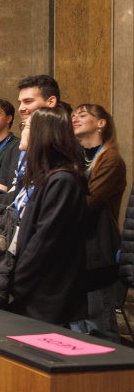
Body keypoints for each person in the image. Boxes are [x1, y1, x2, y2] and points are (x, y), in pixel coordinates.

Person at [8, 106, 88, 325]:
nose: (22, 128)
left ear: (43, 133)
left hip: (44, 294)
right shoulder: (40, 177)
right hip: (28, 288)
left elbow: (45, 241)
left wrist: (15, 282)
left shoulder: (62, 181)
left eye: (28, 126)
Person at [69, 104, 126, 343]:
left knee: (98, 327)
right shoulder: (76, 158)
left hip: (98, 251)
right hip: (75, 248)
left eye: (82, 115)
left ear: (101, 123)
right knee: (76, 325)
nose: (75, 119)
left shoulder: (111, 160)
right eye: (73, 116)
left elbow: (86, 202)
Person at [0, 75, 60, 192]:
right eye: (20, 102)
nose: (20, 108)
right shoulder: (16, 147)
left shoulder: (64, 147)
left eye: (28, 101)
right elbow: (1, 189)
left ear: (50, 102)